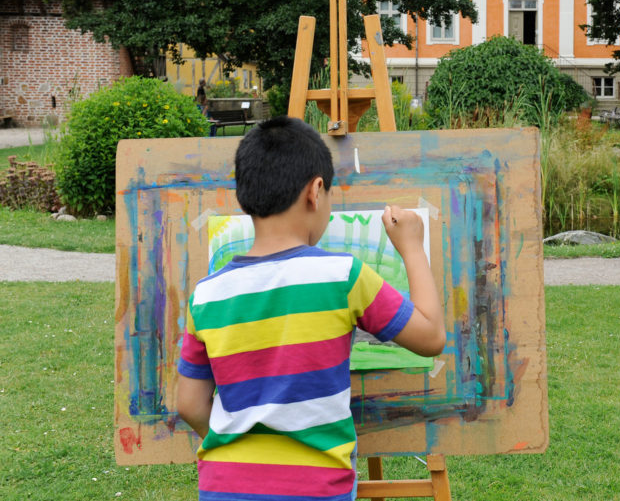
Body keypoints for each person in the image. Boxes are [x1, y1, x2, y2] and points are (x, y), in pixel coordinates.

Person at [175, 115, 445, 500]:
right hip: (315, 489)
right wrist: (413, 246)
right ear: (316, 191)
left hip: (224, 488)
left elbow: (189, 404)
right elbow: (431, 335)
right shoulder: (342, 276)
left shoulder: (206, 295)